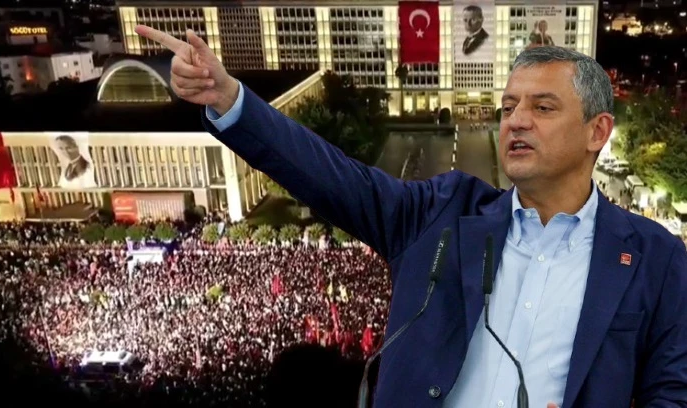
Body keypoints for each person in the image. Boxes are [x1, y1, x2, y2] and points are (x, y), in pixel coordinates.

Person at [134, 25, 687, 408]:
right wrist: (229, 97)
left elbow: (671, 390)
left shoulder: (655, 258)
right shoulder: (440, 214)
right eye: (508, 107)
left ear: (597, 131)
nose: (516, 121)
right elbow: (332, 177)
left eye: (542, 107)